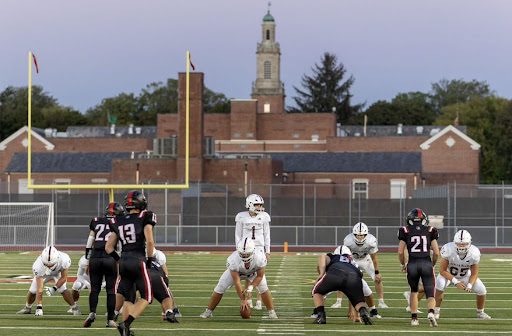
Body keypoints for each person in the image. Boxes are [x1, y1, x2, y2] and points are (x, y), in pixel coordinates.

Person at [105, 190, 156, 336]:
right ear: (141, 202)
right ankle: (125, 324)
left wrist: (119, 259)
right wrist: (150, 259)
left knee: (129, 297)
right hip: (138, 259)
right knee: (147, 297)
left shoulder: (118, 220)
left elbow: (108, 247)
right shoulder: (145, 216)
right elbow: (150, 241)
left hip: (123, 261)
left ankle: (126, 331)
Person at [200, 237, 278, 319]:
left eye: (247, 254)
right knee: (220, 287)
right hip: (238, 273)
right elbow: (237, 281)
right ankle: (208, 311)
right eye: (242, 254)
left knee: (263, 288)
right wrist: (243, 299)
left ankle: (271, 312)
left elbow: (259, 276)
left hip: (253, 273)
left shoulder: (260, 258)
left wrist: (250, 288)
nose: (244, 256)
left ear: (253, 251)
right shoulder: (233, 260)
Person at [311, 244, 382, 320]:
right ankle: (370, 311)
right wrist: (353, 311)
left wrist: (321, 274)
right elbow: (359, 276)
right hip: (353, 277)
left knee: (319, 291)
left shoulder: (333, 256)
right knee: (366, 292)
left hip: (335, 275)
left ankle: (318, 312)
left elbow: (322, 257)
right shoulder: (352, 262)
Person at [83, 202, 125, 328]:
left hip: (95, 257)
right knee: (111, 291)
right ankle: (110, 320)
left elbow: (90, 242)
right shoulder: (119, 223)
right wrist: (120, 259)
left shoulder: (96, 220)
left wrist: (87, 261)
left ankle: (92, 312)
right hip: (110, 258)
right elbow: (122, 244)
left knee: (94, 289)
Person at [434, 230, 491, 320]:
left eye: (464, 244)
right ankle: (436, 311)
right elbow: (442, 271)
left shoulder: (474, 252)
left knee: (482, 290)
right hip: (448, 275)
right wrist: (455, 281)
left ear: (469, 243)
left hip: (465, 276)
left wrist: (469, 285)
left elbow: (474, 273)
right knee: (440, 284)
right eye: (459, 244)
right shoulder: (448, 249)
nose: (461, 246)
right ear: (454, 243)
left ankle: (480, 313)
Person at [398, 208, 440, 327]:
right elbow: (436, 252)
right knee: (430, 292)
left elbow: (401, 251)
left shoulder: (405, 230)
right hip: (426, 262)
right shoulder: (431, 230)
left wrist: (403, 264)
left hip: (412, 264)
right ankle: (431, 312)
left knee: (414, 292)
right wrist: (433, 264)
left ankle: (414, 319)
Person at [119, 247, 180, 324]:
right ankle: (169, 311)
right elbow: (166, 277)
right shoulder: (157, 258)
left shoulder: (131, 256)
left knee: (129, 299)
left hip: (135, 271)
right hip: (154, 275)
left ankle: (117, 315)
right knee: (165, 297)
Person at [16, 246, 80, 316]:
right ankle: (28, 308)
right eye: (46, 264)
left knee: (62, 289)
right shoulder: (37, 265)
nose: (49, 267)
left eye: (51, 264)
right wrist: (39, 308)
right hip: (44, 273)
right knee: (33, 290)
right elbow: (39, 288)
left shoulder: (64, 259)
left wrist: (54, 288)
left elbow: (63, 278)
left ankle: (74, 308)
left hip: (58, 273)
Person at [235, 194, 271, 310]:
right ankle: (249, 299)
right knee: (247, 275)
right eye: (256, 204)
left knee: (259, 275)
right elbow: (238, 235)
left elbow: (267, 235)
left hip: (259, 249)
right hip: (246, 249)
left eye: (260, 204)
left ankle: (259, 302)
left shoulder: (264, 216)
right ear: (249, 204)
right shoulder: (242, 217)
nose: (259, 206)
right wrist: (238, 250)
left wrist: (268, 251)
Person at [343, 222, 388, 308]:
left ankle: (381, 302)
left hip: (366, 260)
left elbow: (374, 257)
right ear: (354, 234)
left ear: (366, 234)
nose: (360, 237)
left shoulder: (371, 241)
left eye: (362, 235)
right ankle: (339, 301)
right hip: (353, 260)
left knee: (377, 279)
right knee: (344, 278)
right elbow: (346, 256)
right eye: (358, 235)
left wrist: (377, 272)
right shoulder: (348, 241)